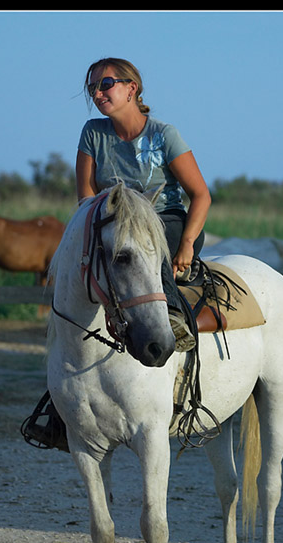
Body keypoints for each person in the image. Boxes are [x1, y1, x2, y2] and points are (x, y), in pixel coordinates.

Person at [76, 58, 211, 351]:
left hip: (167, 221)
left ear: (131, 89)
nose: (98, 94)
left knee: (148, 243)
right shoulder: (92, 133)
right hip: (114, 225)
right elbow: (86, 199)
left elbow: (201, 195)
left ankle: (173, 318)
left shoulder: (164, 135)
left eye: (106, 84)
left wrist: (187, 244)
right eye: (92, 89)